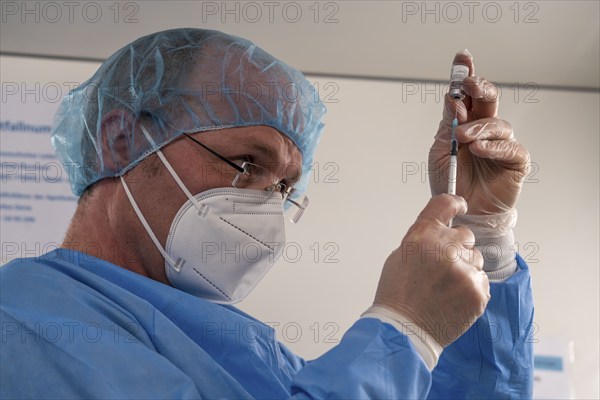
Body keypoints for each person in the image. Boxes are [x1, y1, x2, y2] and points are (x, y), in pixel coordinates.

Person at [0, 29, 533, 399]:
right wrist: (403, 328)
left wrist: (483, 235)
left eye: (283, 187)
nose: (264, 206)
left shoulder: (244, 351)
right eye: (245, 163)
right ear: (122, 141)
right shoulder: (24, 320)